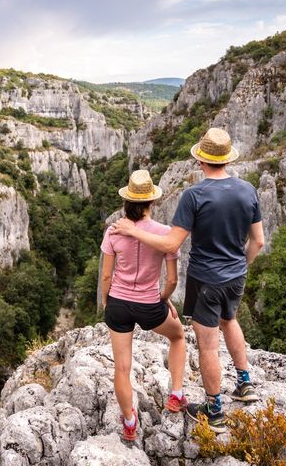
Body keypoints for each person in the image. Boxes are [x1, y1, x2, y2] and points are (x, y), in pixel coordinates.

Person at [111, 128, 265, 434]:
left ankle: (215, 409)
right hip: (236, 276)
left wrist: (131, 231)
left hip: (206, 278)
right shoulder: (248, 190)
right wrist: (239, 266)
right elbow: (258, 242)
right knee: (229, 319)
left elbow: (170, 245)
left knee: (207, 346)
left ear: (201, 161)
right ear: (226, 159)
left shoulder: (194, 195)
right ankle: (245, 382)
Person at [100, 169, 188, 442]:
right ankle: (176, 395)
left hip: (118, 304)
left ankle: (129, 423)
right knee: (178, 336)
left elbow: (106, 275)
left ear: (127, 201)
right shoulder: (166, 235)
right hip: (150, 304)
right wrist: (163, 300)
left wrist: (107, 302)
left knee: (122, 368)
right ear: (152, 203)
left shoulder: (114, 231)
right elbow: (172, 280)